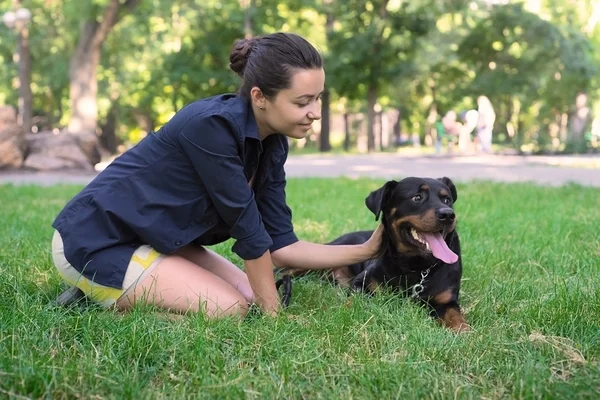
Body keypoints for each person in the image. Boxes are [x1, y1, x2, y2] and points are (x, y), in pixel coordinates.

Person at [51, 32, 383, 319]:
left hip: (156, 240)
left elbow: (281, 247)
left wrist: (366, 250)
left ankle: (120, 288)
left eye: (318, 98)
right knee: (228, 310)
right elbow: (249, 231)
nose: (315, 113)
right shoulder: (211, 126)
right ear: (259, 97)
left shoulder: (273, 143)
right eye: (302, 102)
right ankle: (96, 297)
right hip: (98, 239)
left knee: (253, 298)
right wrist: (274, 320)